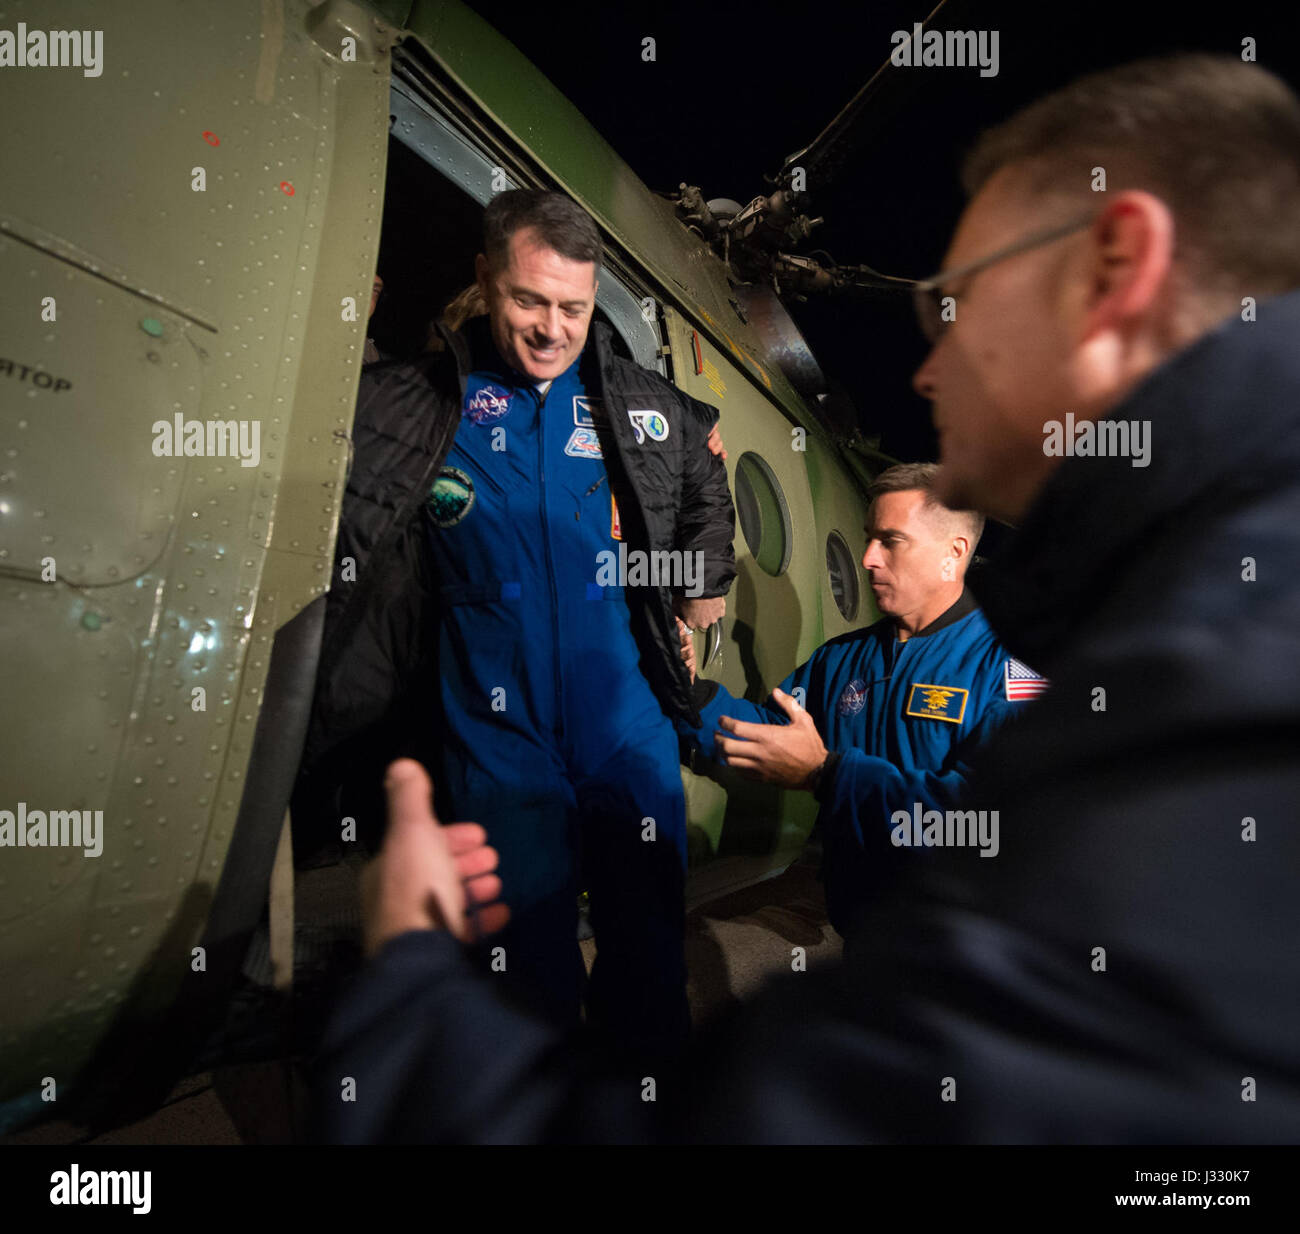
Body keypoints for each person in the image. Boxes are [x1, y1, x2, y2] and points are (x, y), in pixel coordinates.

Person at [316, 54, 1300, 1143]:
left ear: (1118, 271)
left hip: (826, 909)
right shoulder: (871, 663)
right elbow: (754, 727)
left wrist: (407, 980)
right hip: (573, 772)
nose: (925, 372)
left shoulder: (1126, 683)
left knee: (641, 966)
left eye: (954, 304)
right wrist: (684, 706)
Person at [296, 189, 735, 1067]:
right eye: (529, 300)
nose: (552, 328)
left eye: (573, 307)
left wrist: (701, 584)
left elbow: (701, 486)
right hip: (497, 741)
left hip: (626, 733)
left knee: (649, 960)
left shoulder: (635, 406)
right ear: (486, 281)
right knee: (521, 971)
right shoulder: (418, 405)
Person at [675, 462, 1042, 939]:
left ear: (955, 553)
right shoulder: (841, 659)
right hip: (863, 930)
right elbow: (770, 733)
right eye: (869, 537)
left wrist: (828, 774)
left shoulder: (1008, 670)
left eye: (891, 541)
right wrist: (690, 690)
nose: (868, 557)